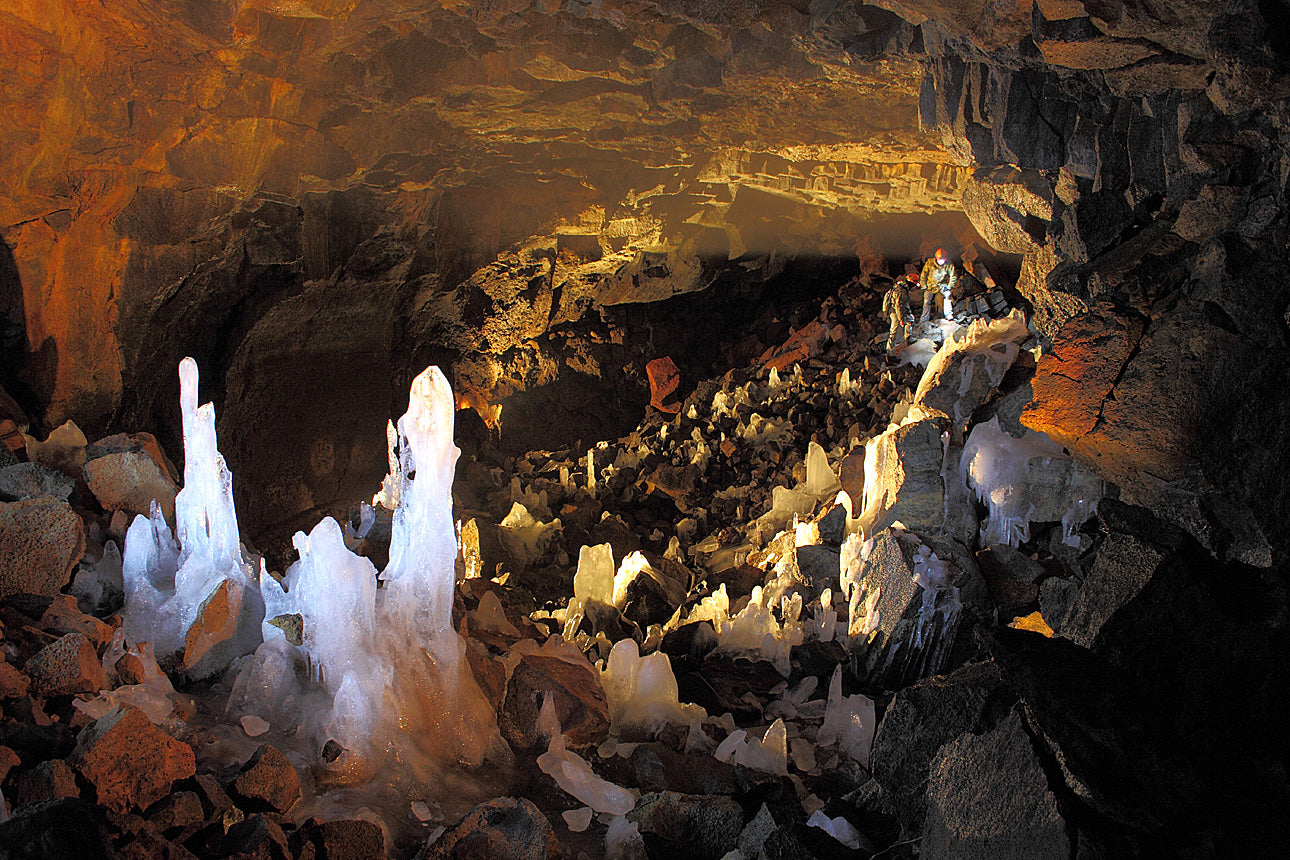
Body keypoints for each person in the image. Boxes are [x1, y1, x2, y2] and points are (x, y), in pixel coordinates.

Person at [919, 248, 958, 324]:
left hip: (942, 285)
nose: (942, 261)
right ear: (936, 258)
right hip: (930, 285)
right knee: (927, 301)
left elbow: (953, 276)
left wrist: (949, 287)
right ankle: (924, 319)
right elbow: (924, 274)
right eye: (940, 259)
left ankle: (949, 315)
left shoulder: (949, 264)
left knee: (947, 295)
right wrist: (923, 286)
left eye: (943, 259)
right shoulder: (930, 263)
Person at [883, 274, 914, 353]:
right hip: (895, 313)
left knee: (909, 321)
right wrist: (901, 320)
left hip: (894, 311)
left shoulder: (898, 287)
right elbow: (898, 306)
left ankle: (907, 340)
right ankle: (890, 352)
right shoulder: (901, 291)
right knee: (894, 331)